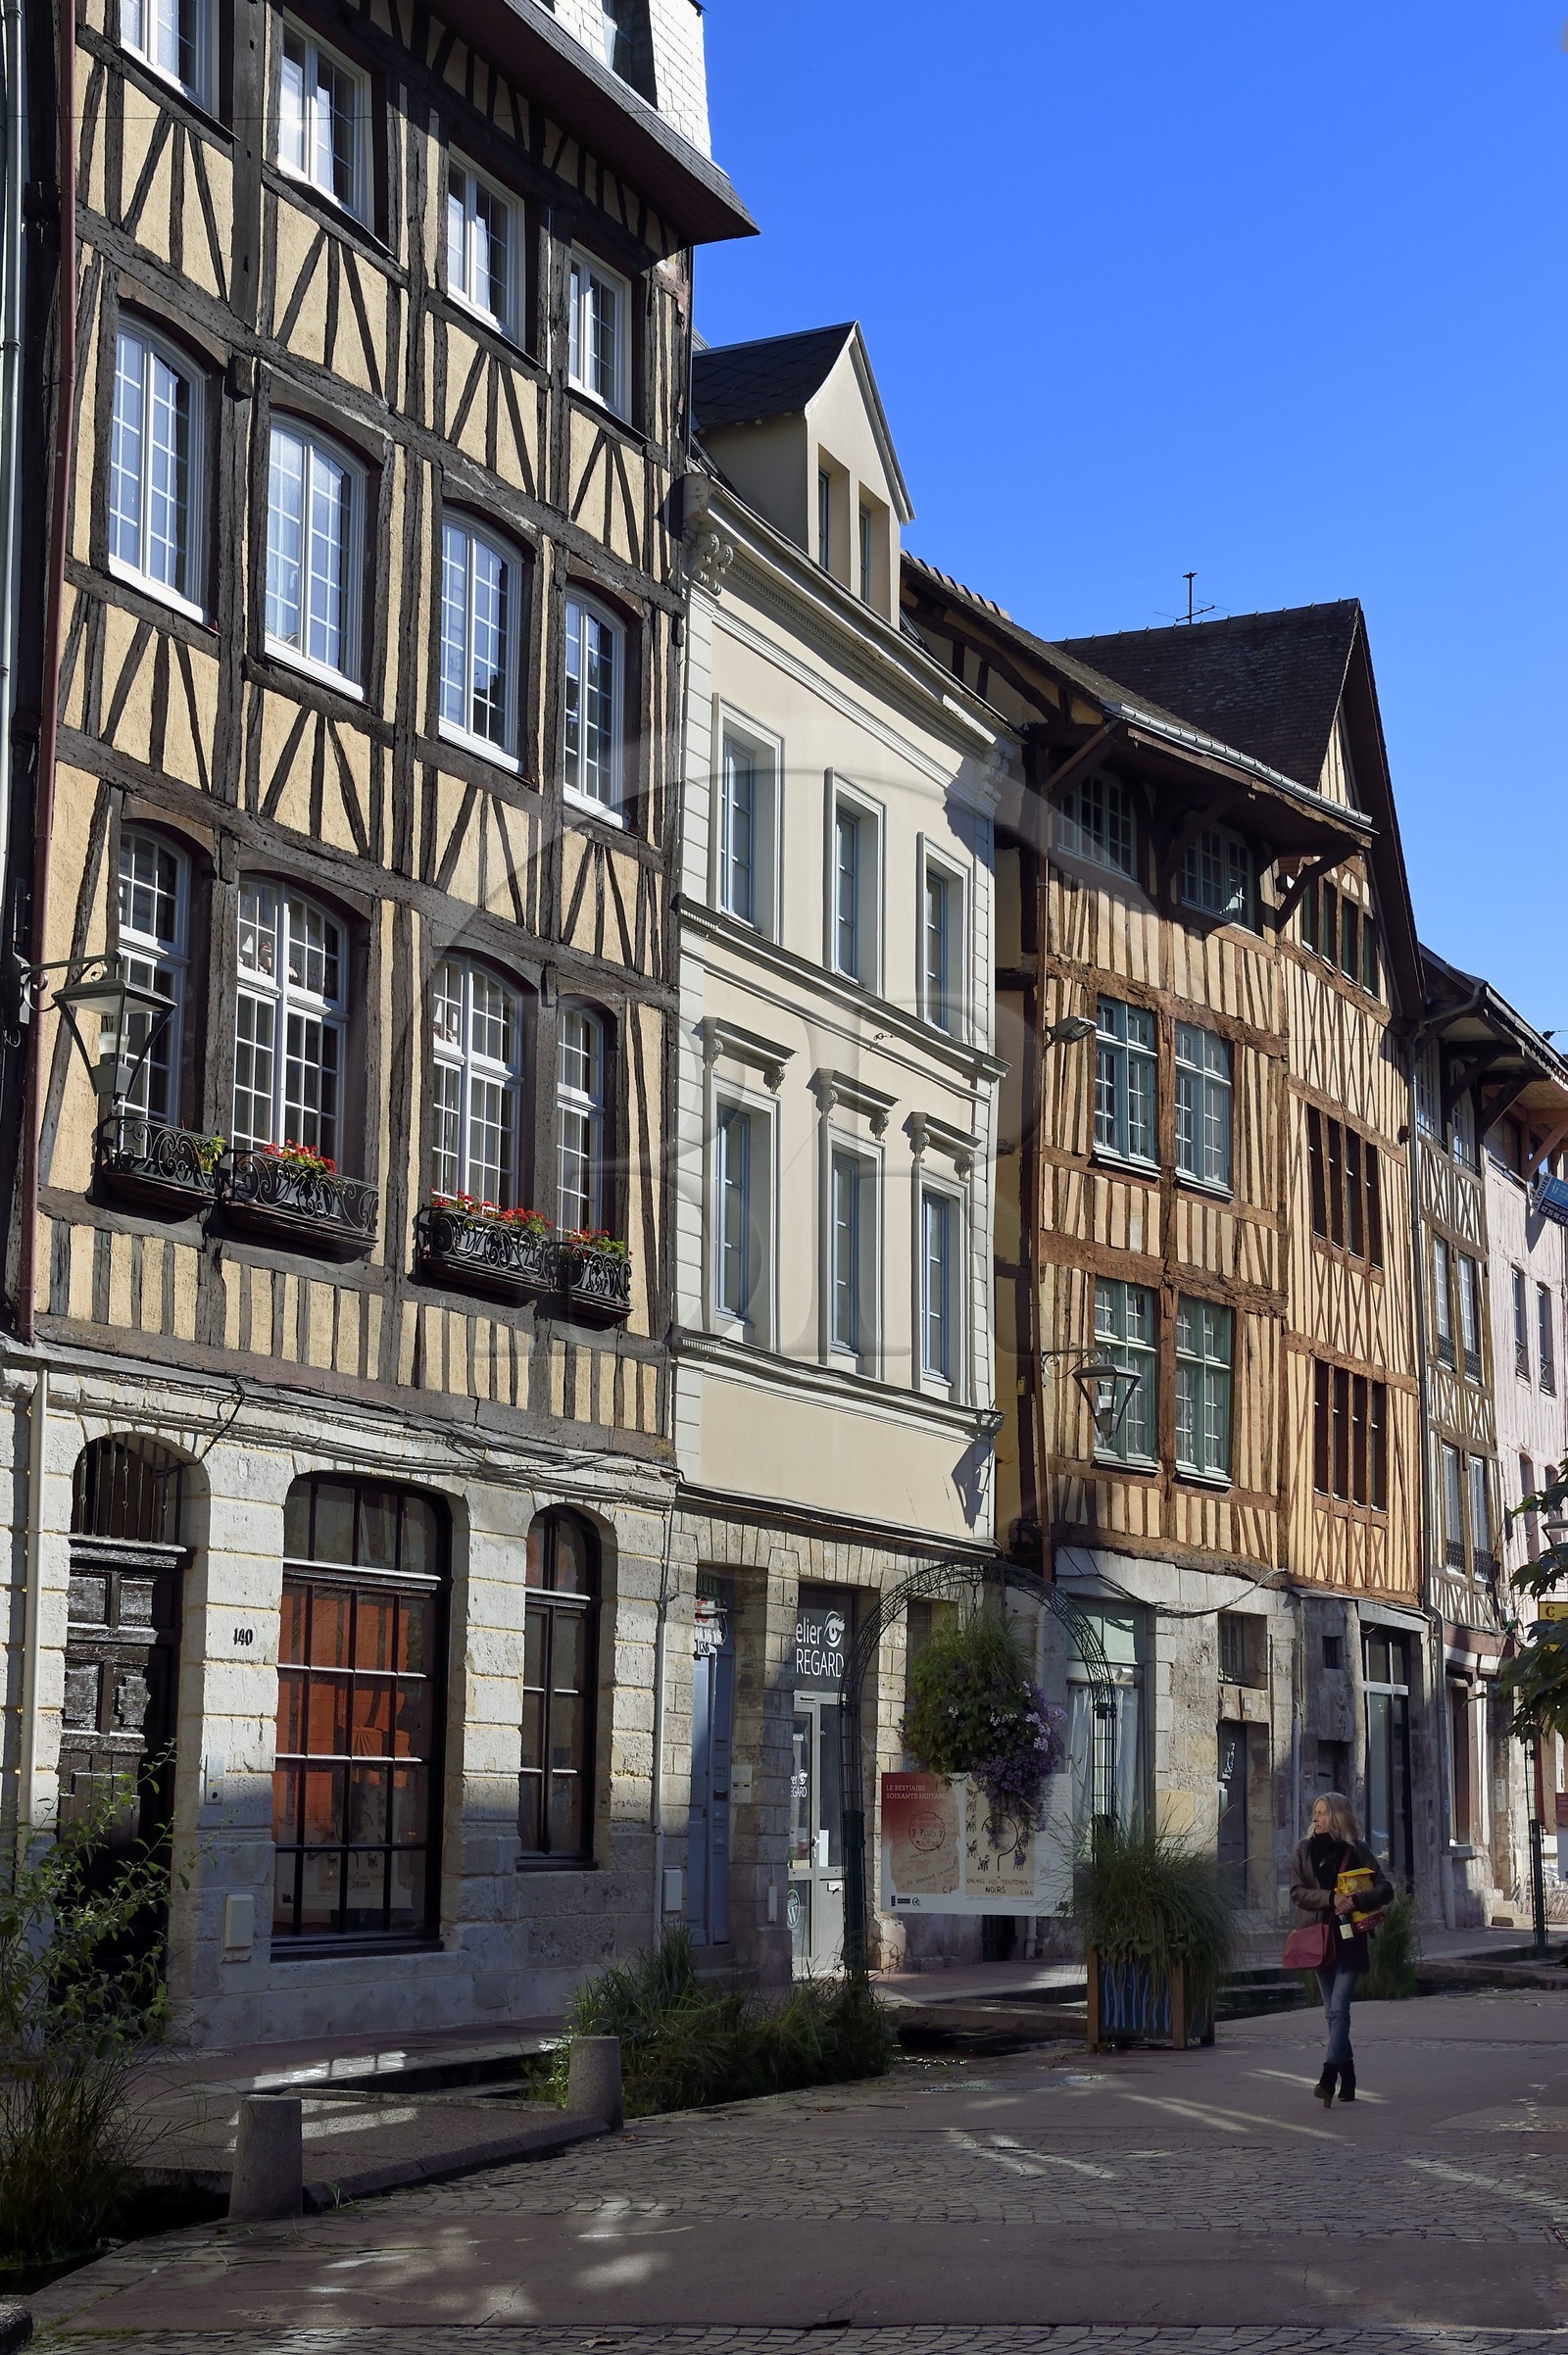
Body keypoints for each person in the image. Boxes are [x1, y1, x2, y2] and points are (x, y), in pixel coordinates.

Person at [1289, 1791, 1394, 2106]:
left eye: (1321, 1813)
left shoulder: (1357, 1850)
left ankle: (1328, 2075)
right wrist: (1331, 1898)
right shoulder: (1303, 1850)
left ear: (1336, 1816)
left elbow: (1385, 1888)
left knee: (1338, 2009)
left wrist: (1356, 1900)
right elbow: (1296, 1892)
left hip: (1350, 1937)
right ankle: (1348, 2075)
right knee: (1329, 2013)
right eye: (1314, 1812)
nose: (1314, 1818)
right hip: (1318, 1937)